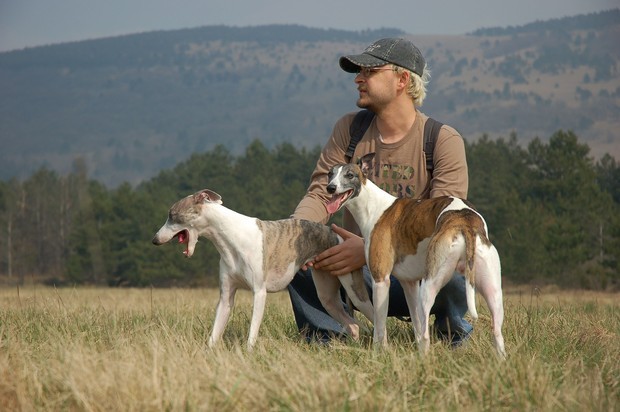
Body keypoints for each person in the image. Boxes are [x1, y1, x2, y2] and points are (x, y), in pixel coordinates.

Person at [287, 37, 472, 346]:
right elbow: (321, 194)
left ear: (402, 80)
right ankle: (329, 340)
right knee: (299, 247)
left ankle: (447, 337)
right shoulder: (349, 130)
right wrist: (296, 234)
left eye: (369, 71)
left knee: (453, 267)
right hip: (358, 274)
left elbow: (446, 221)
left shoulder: (441, 140)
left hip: (417, 268)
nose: (359, 78)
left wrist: (367, 249)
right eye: (358, 72)